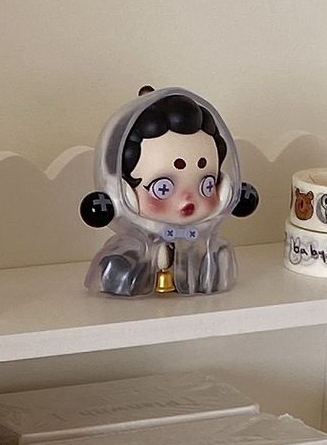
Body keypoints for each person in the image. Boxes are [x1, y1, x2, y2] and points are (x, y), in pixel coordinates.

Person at [80, 86, 259, 297]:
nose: (187, 200)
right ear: (122, 192)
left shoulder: (213, 254)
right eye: (162, 188)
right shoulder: (123, 258)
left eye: (206, 184)